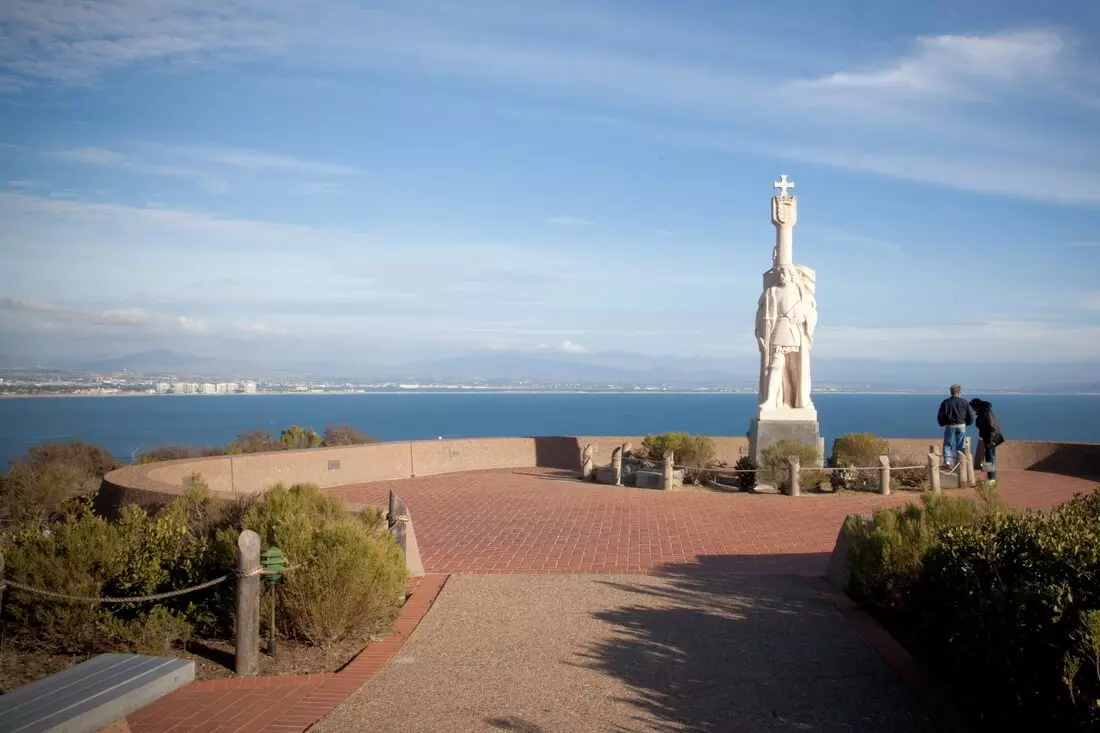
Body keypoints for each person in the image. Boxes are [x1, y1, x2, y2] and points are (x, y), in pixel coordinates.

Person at [936, 385, 974, 468]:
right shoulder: (964, 402)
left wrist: (942, 423)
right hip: (961, 425)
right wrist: (967, 423)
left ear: (951, 392)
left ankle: (947, 462)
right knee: (960, 445)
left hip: (949, 425)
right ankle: (959, 462)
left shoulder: (945, 402)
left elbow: (940, 415)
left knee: (947, 444)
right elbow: (970, 415)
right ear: (959, 392)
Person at [969, 398, 1005, 485]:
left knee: (990, 459)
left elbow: (991, 426)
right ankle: (991, 478)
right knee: (990, 458)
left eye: (973, 408)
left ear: (976, 406)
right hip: (990, 439)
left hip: (990, 439)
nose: (973, 410)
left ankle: (991, 479)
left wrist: (990, 441)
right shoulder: (986, 411)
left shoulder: (985, 413)